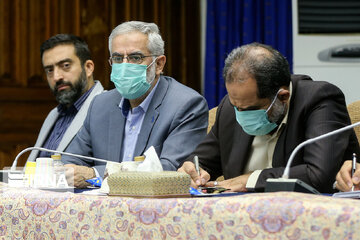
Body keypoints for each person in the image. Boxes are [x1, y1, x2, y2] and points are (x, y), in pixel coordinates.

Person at [178, 42, 359, 193]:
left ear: (283, 97)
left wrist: (248, 181)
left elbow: (318, 174)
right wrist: (193, 171)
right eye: (236, 107)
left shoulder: (320, 99)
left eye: (250, 109)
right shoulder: (231, 106)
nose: (240, 115)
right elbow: (203, 160)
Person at [61, 21, 208, 188]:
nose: (125, 66)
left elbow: (168, 171)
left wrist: (95, 174)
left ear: (159, 64)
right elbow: (69, 161)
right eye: (117, 58)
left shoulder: (186, 105)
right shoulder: (101, 104)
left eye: (135, 58)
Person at [26, 34, 104, 162]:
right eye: (50, 70)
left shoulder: (109, 108)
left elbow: (116, 169)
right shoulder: (54, 115)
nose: (56, 77)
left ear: (88, 68)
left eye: (66, 65)